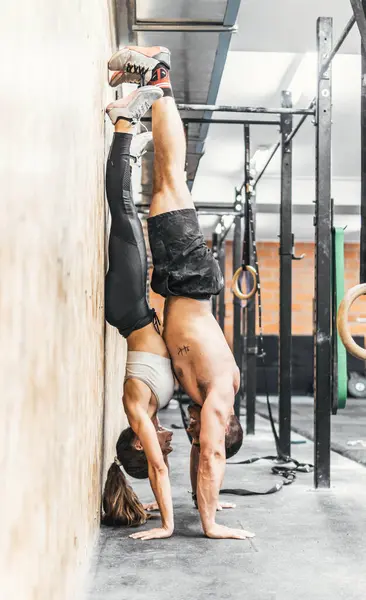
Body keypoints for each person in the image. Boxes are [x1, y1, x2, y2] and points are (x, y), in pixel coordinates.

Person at [108, 46, 255, 540]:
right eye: (200, 433)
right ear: (220, 425)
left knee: (170, 183)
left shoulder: (210, 401)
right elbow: (212, 453)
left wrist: (208, 500)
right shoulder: (218, 397)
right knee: (170, 180)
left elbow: (203, 459)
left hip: (183, 287)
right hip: (191, 280)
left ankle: (157, 88)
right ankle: (159, 73)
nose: (191, 434)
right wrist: (208, 523)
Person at [101, 85, 176, 541]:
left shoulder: (137, 413)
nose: (166, 445)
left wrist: (167, 525)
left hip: (129, 308)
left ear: (137, 443)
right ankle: (128, 137)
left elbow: (158, 467)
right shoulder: (149, 409)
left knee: (124, 210)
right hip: (137, 308)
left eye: (152, 448)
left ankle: (123, 124)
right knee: (127, 216)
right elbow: (159, 468)